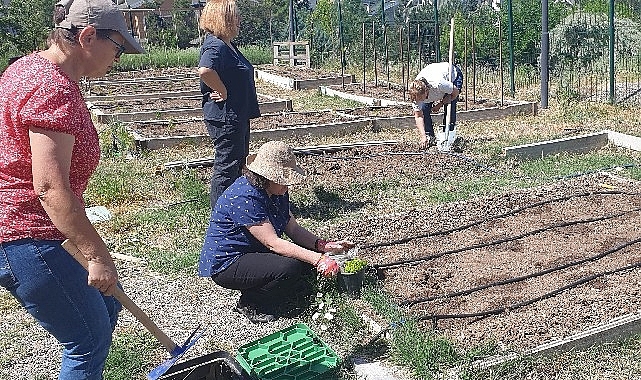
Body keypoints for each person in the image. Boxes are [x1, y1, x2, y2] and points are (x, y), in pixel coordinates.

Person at [0, 0, 144, 378]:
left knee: (106, 310)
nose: (120, 56)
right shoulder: (52, 89)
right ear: (88, 36)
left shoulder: (26, 68)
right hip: (27, 232)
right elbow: (49, 188)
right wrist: (96, 254)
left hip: (32, 228)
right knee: (87, 339)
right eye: (118, 45)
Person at [199, 141, 354, 323]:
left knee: (305, 266)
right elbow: (273, 243)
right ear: (265, 176)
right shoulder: (245, 197)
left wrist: (323, 246)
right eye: (283, 181)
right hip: (229, 262)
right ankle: (251, 303)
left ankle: (279, 293)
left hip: (252, 251)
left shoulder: (276, 191)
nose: (287, 186)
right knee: (289, 268)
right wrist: (318, 259)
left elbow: (293, 229)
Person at [198, 0, 260, 208]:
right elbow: (205, 70)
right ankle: (221, 213)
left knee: (237, 162)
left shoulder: (227, 45)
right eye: (235, 15)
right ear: (222, 18)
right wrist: (222, 91)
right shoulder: (215, 44)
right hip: (226, 116)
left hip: (236, 114)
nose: (239, 19)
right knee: (227, 166)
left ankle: (234, 206)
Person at [408, 62, 463, 149]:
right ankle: (429, 136)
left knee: (450, 106)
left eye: (423, 98)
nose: (421, 101)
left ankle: (448, 135)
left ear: (426, 91)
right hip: (433, 72)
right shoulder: (415, 94)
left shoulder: (439, 84)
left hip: (452, 75)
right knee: (425, 108)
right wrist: (423, 136)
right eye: (419, 100)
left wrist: (440, 104)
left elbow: (455, 93)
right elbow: (418, 116)